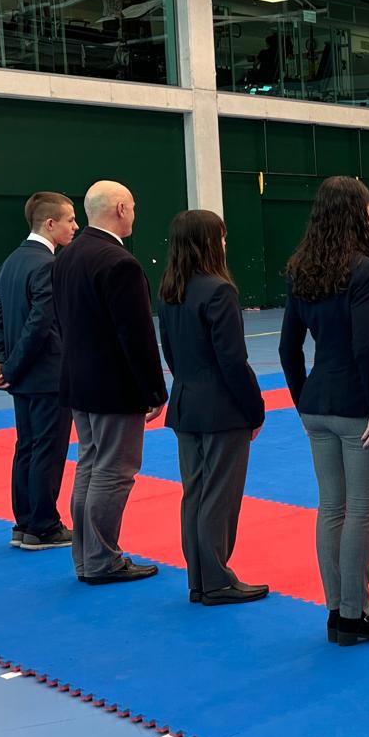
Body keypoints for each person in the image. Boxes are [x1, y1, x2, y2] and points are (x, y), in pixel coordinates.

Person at [279, 177, 369, 647]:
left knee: (332, 507)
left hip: (317, 403)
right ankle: (355, 614)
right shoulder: (365, 269)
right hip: (355, 405)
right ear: (359, 213)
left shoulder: (301, 267)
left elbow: (289, 347)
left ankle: (337, 611)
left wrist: (301, 400)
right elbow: (364, 348)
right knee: (361, 514)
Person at [51, 181, 166, 585]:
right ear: (120, 208)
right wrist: (154, 390)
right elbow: (135, 335)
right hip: (114, 387)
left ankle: (86, 557)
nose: (134, 214)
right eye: (132, 207)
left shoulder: (66, 257)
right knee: (114, 471)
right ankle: (101, 559)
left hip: (79, 382)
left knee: (90, 466)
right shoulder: (120, 263)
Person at [158, 209, 267, 606]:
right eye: (220, 237)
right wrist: (255, 409)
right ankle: (218, 580)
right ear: (208, 242)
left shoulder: (171, 290)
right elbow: (233, 361)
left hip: (187, 405)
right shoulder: (219, 291)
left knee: (196, 494)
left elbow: (169, 352)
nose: (224, 243)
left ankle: (200, 579)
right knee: (219, 496)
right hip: (222, 410)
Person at [0, 191, 77, 552]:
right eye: (70, 220)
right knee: (47, 449)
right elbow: (40, 323)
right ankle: (43, 526)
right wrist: (10, 365)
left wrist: (0, 361)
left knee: (26, 446)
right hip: (44, 375)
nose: (76, 226)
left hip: (22, 374)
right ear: (50, 223)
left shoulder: (11, 261)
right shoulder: (48, 264)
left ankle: (24, 522)